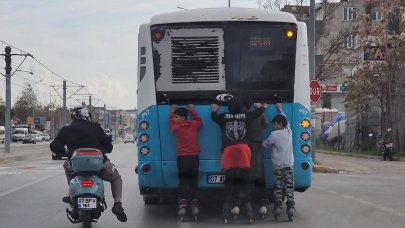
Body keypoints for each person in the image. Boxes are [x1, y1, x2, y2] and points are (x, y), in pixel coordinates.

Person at [50, 106, 127, 222]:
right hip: (99, 165)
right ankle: (118, 204)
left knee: (66, 165)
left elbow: (54, 146)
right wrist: (101, 149)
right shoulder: (96, 127)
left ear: (73, 117)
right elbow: (109, 147)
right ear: (86, 115)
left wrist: (65, 152)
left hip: (75, 166)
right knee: (116, 178)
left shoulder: (66, 129)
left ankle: (71, 193)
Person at [211, 97, 268, 222]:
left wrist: (214, 110)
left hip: (228, 153)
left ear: (228, 107)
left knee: (230, 182)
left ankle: (226, 210)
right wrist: (263, 107)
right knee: (245, 182)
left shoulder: (223, 116)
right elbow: (258, 113)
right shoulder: (247, 116)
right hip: (243, 152)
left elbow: (214, 118)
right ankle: (249, 211)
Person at [262, 103, 295, 221]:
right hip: (289, 165)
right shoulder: (289, 131)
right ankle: (291, 208)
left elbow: (266, 144)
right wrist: (281, 110)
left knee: (278, 187)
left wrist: (259, 142)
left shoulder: (273, 135)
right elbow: (287, 121)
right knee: (289, 186)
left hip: (278, 167)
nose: (273, 125)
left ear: (280, 124)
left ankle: (278, 207)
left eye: (275, 123)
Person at [169, 104, 202, 219]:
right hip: (194, 158)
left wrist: (172, 111)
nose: (174, 118)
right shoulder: (193, 124)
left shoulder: (177, 127)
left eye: (177, 117)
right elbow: (199, 121)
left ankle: (182, 205)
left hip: (182, 158)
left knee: (183, 181)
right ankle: (195, 204)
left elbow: (171, 126)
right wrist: (193, 110)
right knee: (193, 181)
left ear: (183, 118)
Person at [242, 100, 269, 217]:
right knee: (259, 176)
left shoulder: (240, 117)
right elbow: (266, 124)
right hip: (257, 149)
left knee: (245, 177)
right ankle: (262, 203)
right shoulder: (256, 116)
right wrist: (261, 110)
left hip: (245, 150)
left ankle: (244, 203)